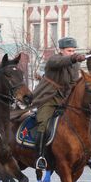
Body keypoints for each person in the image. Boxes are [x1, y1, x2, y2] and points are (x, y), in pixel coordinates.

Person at [32, 36, 86, 170]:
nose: (72, 53)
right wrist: (73, 58)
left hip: (65, 99)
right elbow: (61, 62)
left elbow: (73, 83)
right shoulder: (53, 60)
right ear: (61, 50)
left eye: (74, 51)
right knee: (42, 122)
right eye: (69, 50)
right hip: (48, 97)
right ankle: (40, 156)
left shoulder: (75, 65)